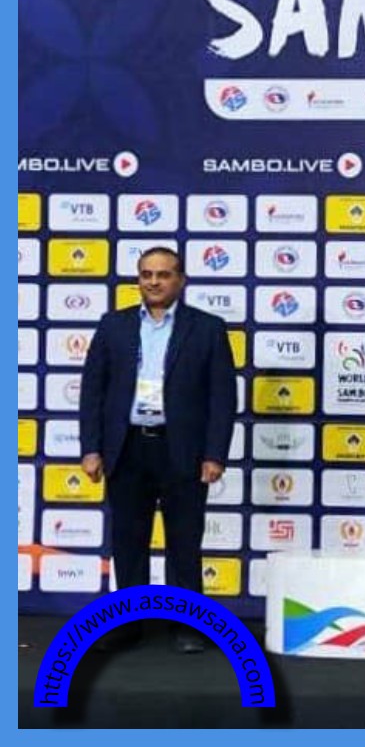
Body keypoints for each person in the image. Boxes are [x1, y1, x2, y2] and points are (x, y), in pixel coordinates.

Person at [79, 247, 237, 653]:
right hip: (127, 447)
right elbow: (92, 390)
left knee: (184, 542)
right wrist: (91, 448)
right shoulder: (113, 326)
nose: (153, 281)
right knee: (128, 541)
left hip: (182, 449)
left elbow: (222, 398)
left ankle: (188, 626)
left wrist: (215, 454)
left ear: (180, 280)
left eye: (163, 274)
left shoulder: (207, 328)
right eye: (146, 274)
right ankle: (127, 625)